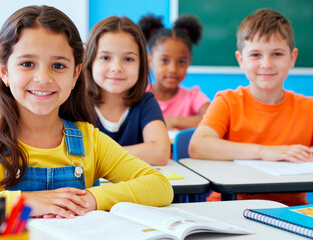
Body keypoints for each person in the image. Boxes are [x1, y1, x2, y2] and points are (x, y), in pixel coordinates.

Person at [0, 5, 173, 220]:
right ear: (4, 71)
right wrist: (25, 202)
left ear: (75, 74)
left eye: (58, 66)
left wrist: (92, 198)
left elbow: (160, 186)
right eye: (27, 63)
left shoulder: (90, 140)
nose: (43, 78)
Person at [189, 8, 313, 206]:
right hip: (230, 205)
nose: (266, 64)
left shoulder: (309, 108)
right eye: (255, 54)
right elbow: (198, 146)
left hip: (292, 209)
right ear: (241, 60)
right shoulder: (227, 101)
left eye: (277, 54)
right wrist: (265, 152)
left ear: (292, 57)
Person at [84, 16, 170, 165]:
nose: (116, 68)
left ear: (141, 65)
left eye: (128, 59)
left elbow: (160, 152)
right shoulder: (76, 103)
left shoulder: (146, 102)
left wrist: (98, 154)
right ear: (90, 62)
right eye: (105, 57)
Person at [139, 14, 210, 130]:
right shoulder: (139, 96)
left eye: (181, 62)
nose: (173, 69)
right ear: (150, 60)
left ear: (189, 62)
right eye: (164, 60)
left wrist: (174, 121)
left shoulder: (192, 97)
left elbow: (213, 117)